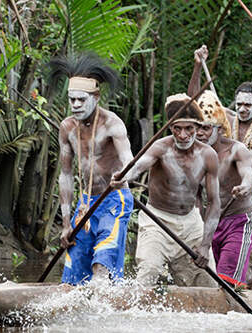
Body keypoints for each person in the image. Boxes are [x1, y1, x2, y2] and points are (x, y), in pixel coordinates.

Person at [111, 94, 220, 287]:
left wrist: (205, 244)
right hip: (157, 221)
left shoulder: (208, 155)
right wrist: (123, 177)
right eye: (177, 128)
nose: (183, 135)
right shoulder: (160, 148)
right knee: (149, 271)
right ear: (170, 128)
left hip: (191, 223)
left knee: (208, 281)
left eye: (189, 129)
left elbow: (214, 202)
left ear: (197, 128)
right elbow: (137, 167)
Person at [50, 54, 134, 285]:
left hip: (114, 200)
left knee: (101, 265)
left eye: (81, 100)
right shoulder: (67, 127)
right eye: (72, 100)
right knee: (73, 274)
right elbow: (66, 176)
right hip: (85, 204)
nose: (76, 105)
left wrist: (124, 175)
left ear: (96, 97)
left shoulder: (112, 124)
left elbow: (129, 159)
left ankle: (105, 305)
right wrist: (66, 224)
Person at [195, 90, 252, 288]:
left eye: (205, 128)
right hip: (210, 224)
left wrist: (246, 186)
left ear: (220, 129)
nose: (199, 133)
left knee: (227, 283)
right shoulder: (194, 155)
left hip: (239, 221)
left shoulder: (236, 150)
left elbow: (248, 174)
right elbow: (196, 195)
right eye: (197, 127)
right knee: (206, 280)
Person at [188, 45, 252, 163]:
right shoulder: (225, 116)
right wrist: (197, 66)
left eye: (247, 105)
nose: (242, 109)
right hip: (217, 174)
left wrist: (230, 153)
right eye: (239, 104)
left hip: (243, 178)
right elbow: (194, 101)